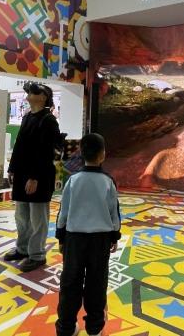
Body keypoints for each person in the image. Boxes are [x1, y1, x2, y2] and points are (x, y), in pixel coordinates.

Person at [55, 133, 121, 336]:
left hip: (74, 239)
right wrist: (115, 236)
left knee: (70, 282)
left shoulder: (73, 180)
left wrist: (61, 237)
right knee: (97, 283)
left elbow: (63, 212)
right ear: (103, 155)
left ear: (81, 154)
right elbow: (114, 212)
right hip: (100, 241)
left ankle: (66, 327)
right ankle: (94, 328)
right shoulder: (108, 181)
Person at [4, 82, 61, 272]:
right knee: (22, 215)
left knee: (38, 218)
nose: (29, 94)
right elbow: (19, 144)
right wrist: (12, 168)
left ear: (43, 97)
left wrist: (35, 177)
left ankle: (37, 255)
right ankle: (22, 248)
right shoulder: (28, 117)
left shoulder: (49, 121)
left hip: (39, 176)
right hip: (22, 174)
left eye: (34, 92)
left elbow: (46, 152)